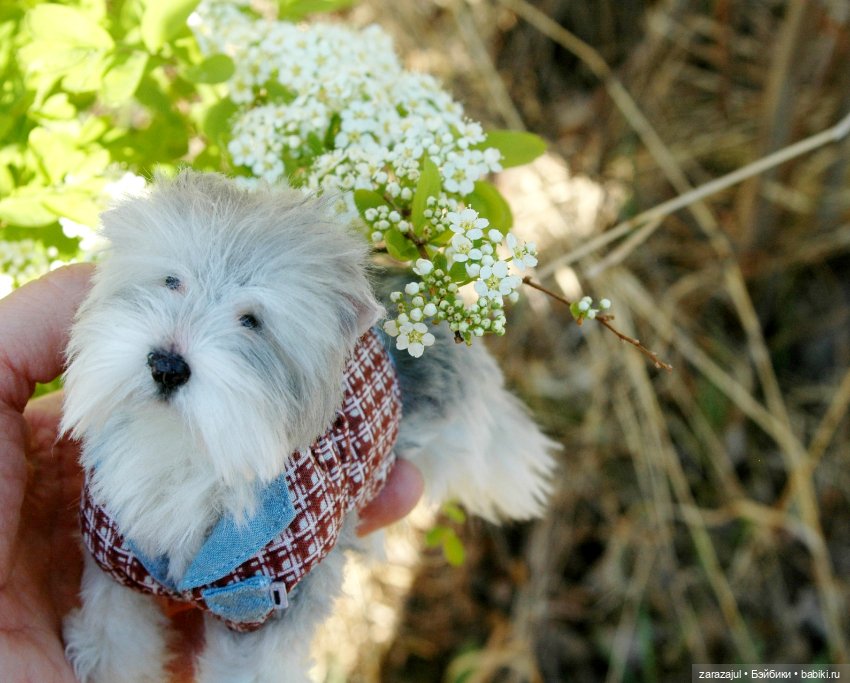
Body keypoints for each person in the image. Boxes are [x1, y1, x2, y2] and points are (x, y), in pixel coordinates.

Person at [0, 264, 423, 682]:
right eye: (172, 283)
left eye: (249, 320)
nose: (172, 352)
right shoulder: (105, 509)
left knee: (275, 633)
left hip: (408, 383)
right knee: (111, 603)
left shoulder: (295, 530)